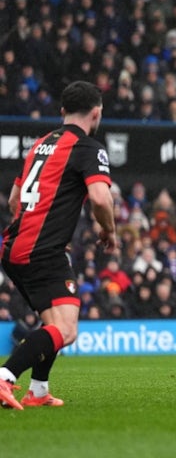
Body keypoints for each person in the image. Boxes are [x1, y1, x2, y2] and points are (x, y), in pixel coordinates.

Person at [0, 81, 118, 410]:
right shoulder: (88, 148)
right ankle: (5, 377)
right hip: (42, 250)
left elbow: (13, 200)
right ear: (96, 113)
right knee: (66, 330)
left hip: (14, 245)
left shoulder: (38, 145)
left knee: (54, 324)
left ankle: (38, 390)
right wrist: (109, 230)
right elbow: (99, 197)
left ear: (62, 111)